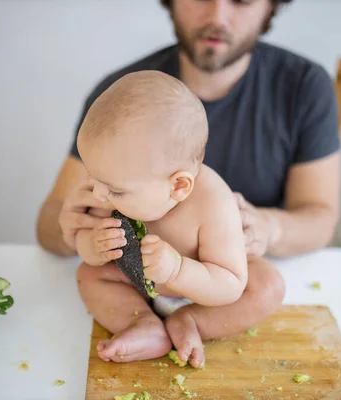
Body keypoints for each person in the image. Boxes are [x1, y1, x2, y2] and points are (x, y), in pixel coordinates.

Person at [36, 0, 341, 262]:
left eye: (241, 0)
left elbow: (321, 220)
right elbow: (48, 223)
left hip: (247, 272)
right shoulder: (122, 98)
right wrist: (72, 233)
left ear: (270, 7)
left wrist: (268, 228)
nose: (216, 17)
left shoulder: (304, 87)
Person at [75, 70, 251, 368]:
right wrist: (91, 246)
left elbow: (231, 282)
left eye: (115, 190)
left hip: (202, 294)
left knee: (267, 286)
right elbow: (84, 239)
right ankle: (143, 322)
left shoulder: (213, 202)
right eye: (93, 176)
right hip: (136, 285)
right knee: (88, 274)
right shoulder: (111, 180)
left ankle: (192, 320)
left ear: (178, 186)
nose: (98, 193)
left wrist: (177, 271)